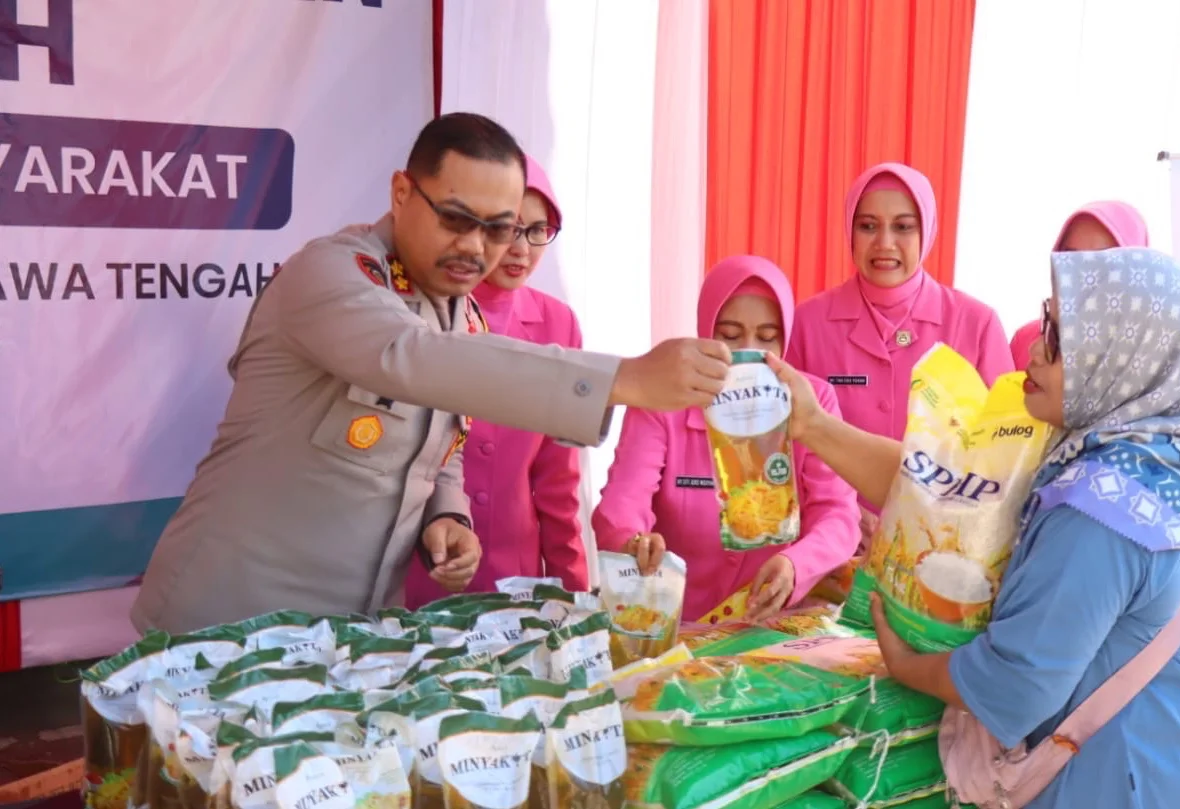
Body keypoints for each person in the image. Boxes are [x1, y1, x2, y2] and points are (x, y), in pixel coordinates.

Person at [130, 113, 731, 633]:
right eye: (455, 218)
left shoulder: (458, 312)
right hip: (224, 625)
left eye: (498, 229)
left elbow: (442, 438)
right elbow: (413, 360)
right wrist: (623, 378)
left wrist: (447, 513)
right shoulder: (332, 274)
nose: (476, 247)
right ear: (401, 193)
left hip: (347, 638)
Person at [769, 247, 1180, 808]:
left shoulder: (1102, 511)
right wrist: (814, 425)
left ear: (1119, 358)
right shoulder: (1151, 460)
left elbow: (1016, 686)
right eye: (1046, 321)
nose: (1035, 349)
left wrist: (904, 665)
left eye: (1060, 339)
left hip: (1152, 785)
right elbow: (939, 493)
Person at [592, 255, 860, 623]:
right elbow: (621, 504)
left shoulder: (811, 402)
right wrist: (633, 541)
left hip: (773, 629)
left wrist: (794, 566)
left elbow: (838, 514)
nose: (746, 354)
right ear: (705, 332)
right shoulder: (662, 400)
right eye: (730, 336)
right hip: (676, 626)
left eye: (767, 338)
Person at [404, 156, 587, 607]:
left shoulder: (557, 322)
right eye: (510, 228)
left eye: (539, 230)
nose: (523, 248)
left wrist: (577, 592)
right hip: (421, 566)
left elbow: (558, 478)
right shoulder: (423, 307)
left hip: (515, 580)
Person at [787, 161, 1011, 529]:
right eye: (868, 226)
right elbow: (787, 444)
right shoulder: (808, 324)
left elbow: (1002, 452)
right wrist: (838, 515)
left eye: (903, 227)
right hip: (835, 544)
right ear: (850, 230)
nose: (884, 243)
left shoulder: (976, 324)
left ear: (927, 231)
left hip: (941, 544)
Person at [1007, 200, 1149, 369]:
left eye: (1100, 262)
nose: (1083, 274)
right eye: (1070, 258)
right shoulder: (1026, 341)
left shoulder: (1146, 355)